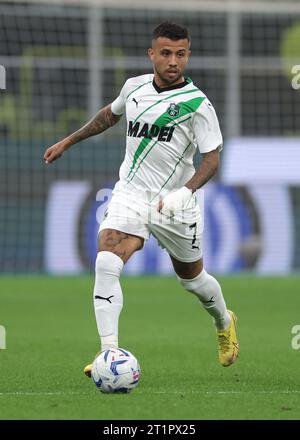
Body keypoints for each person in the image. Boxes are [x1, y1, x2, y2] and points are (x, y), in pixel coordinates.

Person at [44, 21, 239, 374]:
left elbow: (212, 158)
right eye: (166, 53)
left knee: (192, 279)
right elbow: (109, 115)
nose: (173, 61)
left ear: (188, 55)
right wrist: (67, 141)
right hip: (130, 194)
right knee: (107, 260)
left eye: (180, 54)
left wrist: (186, 191)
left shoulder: (197, 104)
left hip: (175, 203)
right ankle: (109, 354)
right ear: (152, 54)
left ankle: (224, 322)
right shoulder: (134, 87)